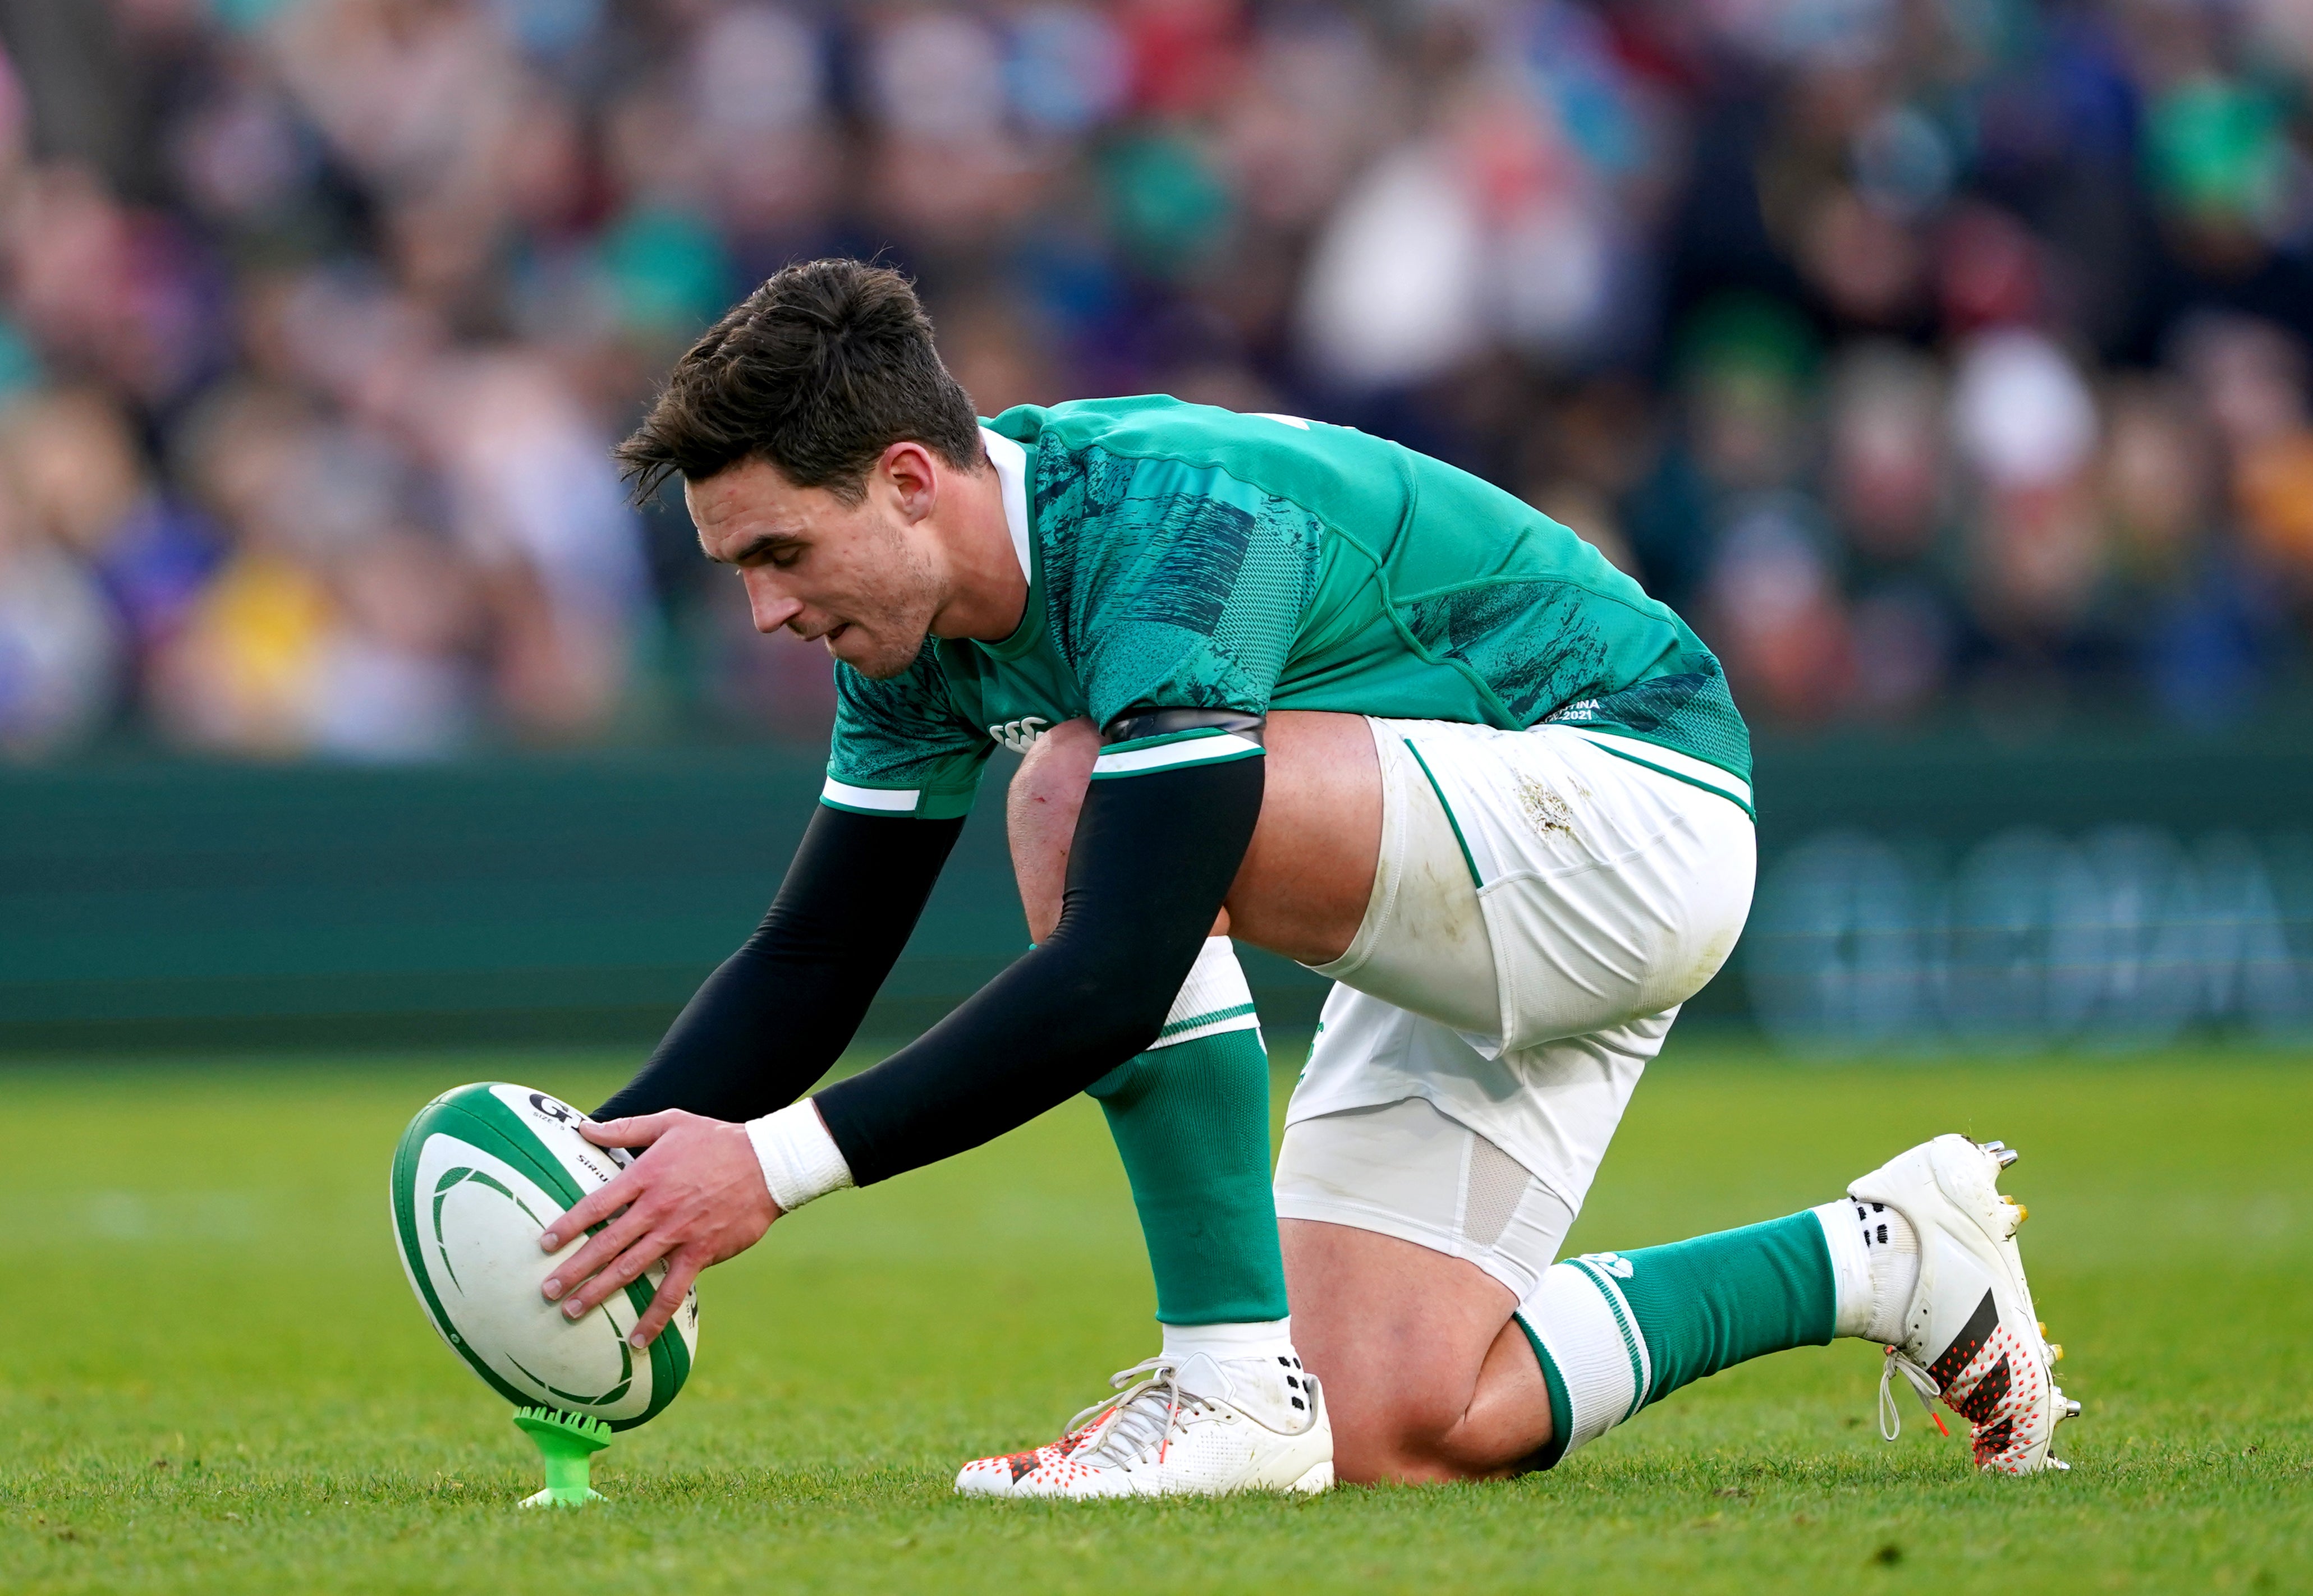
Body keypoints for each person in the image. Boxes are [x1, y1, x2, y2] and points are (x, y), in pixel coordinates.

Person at [535, 259, 2078, 1496]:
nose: (760, 613)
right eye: (739, 567)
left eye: (780, 556)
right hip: (1462, 860)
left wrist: (775, 1166)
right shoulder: (907, 632)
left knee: (1072, 790)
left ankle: (1218, 1389)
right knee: (1392, 1421)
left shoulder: (1163, 532)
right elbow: (817, 956)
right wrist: (597, 1188)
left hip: (1628, 808)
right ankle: (1880, 1257)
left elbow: (1117, 974)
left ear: (906, 480)